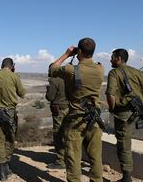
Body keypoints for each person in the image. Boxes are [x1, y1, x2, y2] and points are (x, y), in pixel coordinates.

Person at [50, 38, 104, 182]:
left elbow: (52, 69)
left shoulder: (71, 70)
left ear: (79, 51)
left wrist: (67, 54)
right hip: (95, 119)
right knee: (95, 155)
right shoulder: (100, 68)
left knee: (73, 155)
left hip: (77, 119)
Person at [106, 48, 143, 182]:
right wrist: (138, 102)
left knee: (124, 144)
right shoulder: (137, 72)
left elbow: (110, 94)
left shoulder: (114, 73)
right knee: (126, 142)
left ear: (119, 59)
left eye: (112, 57)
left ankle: (127, 178)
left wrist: (112, 108)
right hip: (136, 113)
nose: (110, 60)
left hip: (123, 114)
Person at [45, 64, 68, 169]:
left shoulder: (54, 80)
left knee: (58, 135)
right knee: (68, 135)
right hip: (69, 109)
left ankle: (60, 161)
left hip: (59, 111)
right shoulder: (68, 78)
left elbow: (50, 97)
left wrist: (48, 90)